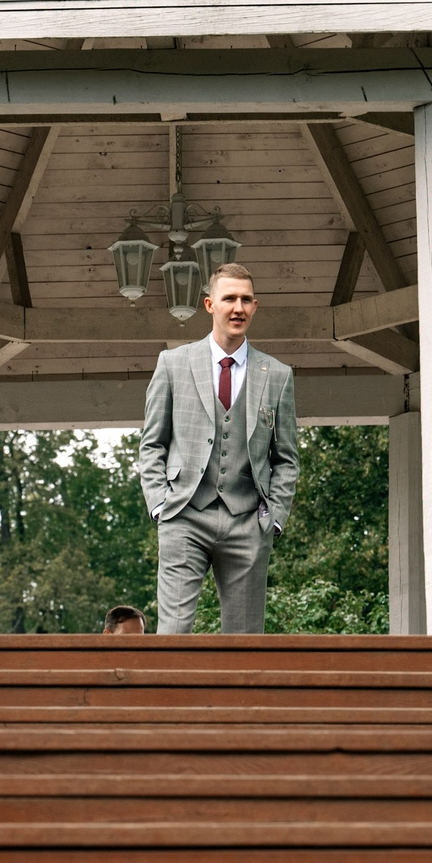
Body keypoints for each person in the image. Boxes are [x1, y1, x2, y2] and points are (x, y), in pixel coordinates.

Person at [136, 263, 298, 635]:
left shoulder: (277, 374)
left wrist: (273, 517)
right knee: (173, 633)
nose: (237, 308)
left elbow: (286, 458)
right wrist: (161, 504)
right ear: (210, 304)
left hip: (247, 521)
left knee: (244, 642)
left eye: (245, 300)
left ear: (255, 306)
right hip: (184, 514)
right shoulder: (173, 363)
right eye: (229, 299)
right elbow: (152, 443)